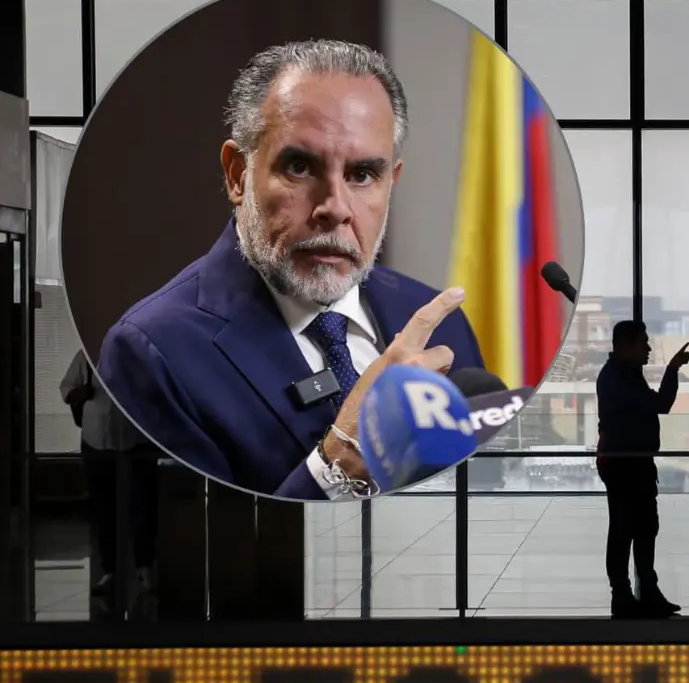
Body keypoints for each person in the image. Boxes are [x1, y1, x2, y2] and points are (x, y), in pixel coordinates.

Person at [98, 39, 484, 500]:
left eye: (362, 175)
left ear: (391, 182)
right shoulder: (151, 353)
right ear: (238, 174)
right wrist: (339, 462)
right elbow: (190, 555)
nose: (335, 208)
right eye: (300, 166)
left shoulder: (439, 324)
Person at [595, 321, 689, 618]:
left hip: (630, 462)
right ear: (626, 345)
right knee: (628, 528)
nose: (648, 349)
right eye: (644, 343)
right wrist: (672, 369)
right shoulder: (619, 377)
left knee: (640, 527)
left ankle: (640, 591)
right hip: (626, 464)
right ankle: (627, 594)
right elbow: (660, 404)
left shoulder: (621, 375)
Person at [60, 349, 160, 618]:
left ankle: (144, 567)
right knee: (105, 510)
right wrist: (84, 394)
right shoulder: (87, 355)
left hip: (136, 441)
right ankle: (110, 571)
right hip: (97, 440)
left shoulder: (146, 354)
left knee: (142, 506)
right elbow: (68, 389)